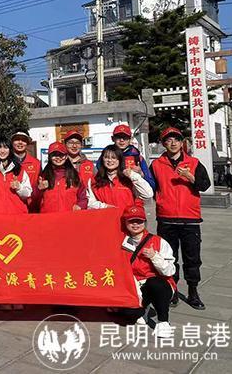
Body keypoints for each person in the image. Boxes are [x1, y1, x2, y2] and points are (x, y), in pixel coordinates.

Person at [150, 127, 210, 310]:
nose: (173, 142)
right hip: (166, 219)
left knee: (192, 258)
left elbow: (205, 185)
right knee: (169, 258)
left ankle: (193, 292)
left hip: (189, 219)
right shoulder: (156, 165)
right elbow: (150, 187)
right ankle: (172, 291)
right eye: (168, 140)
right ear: (163, 143)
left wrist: (190, 177)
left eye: (176, 139)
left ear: (182, 142)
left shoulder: (194, 162)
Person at [121, 205, 176, 339]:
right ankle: (141, 309)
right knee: (127, 316)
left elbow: (170, 270)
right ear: (125, 222)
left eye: (139, 221)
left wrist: (154, 256)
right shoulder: (120, 241)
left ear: (145, 222)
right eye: (131, 221)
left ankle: (163, 322)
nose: (135, 224)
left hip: (158, 284)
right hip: (134, 287)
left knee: (155, 283)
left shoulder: (158, 241)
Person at [87, 145, 153, 211]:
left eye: (114, 158)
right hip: (106, 219)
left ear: (120, 160)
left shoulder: (129, 178)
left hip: (127, 219)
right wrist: (104, 206)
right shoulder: (95, 180)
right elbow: (90, 202)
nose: (110, 160)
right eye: (106, 157)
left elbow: (148, 194)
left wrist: (133, 176)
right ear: (102, 159)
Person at [97, 124, 156, 191]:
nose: (122, 140)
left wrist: (141, 174)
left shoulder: (137, 157)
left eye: (125, 137)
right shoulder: (105, 157)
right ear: (113, 139)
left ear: (130, 139)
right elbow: (98, 179)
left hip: (132, 196)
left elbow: (152, 186)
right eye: (118, 137)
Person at [0, 136, 32, 214]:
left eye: (5, 147)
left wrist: (19, 188)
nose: (2, 151)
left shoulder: (19, 170)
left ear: (10, 149)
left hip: (17, 215)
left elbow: (28, 193)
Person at [36, 142, 87, 213]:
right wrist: (39, 189)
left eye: (61, 155)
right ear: (49, 157)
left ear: (66, 157)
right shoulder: (43, 176)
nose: (58, 158)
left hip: (69, 218)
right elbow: (34, 200)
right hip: (48, 219)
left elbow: (83, 197)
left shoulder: (75, 175)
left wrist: (80, 206)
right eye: (54, 155)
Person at [11, 131, 41, 211]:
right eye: (17, 139)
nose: (20, 142)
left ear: (27, 143)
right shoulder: (6, 163)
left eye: (23, 140)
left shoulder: (36, 163)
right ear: (12, 142)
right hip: (12, 206)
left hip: (32, 207)